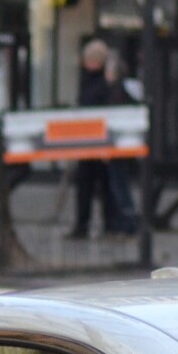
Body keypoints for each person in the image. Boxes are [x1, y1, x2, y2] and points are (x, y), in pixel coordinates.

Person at [71, 40, 139, 240]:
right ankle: (93, 224)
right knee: (95, 186)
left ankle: (119, 224)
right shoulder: (91, 81)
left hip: (103, 143)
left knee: (112, 187)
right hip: (91, 142)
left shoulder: (107, 85)